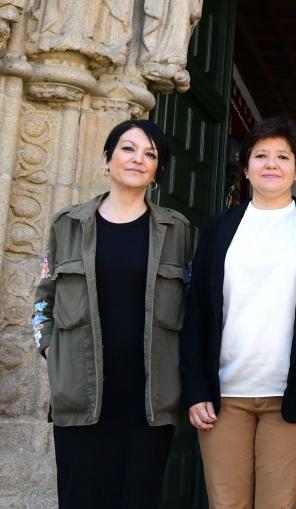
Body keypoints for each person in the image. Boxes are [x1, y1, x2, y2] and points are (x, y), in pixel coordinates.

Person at [179, 116, 296, 509]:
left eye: (282, 156)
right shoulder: (220, 228)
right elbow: (198, 313)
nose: (271, 164)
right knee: (227, 505)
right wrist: (196, 389)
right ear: (246, 167)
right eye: (261, 155)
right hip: (224, 396)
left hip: (291, 396)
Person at [32, 119, 191, 509]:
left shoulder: (178, 230)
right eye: (128, 148)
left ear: (158, 171)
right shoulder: (66, 224)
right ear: (107, 159)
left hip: (149, 401)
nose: (138, 159)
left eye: (150, 154)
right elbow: (42, 302)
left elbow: (192, 306)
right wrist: (53, 352)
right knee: (80, 499)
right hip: (81, 395)